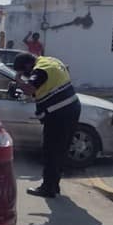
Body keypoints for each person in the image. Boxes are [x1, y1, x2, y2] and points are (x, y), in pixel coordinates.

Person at [13, 52, 80, 198]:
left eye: (25, 72)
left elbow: (30, 89)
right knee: (61, 149)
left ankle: (47, 188)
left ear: (27, 66)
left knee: (51, 151)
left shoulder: (41, 70)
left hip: (58, 114)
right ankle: (54, 185)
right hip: (72, 107)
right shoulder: (51, 60)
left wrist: (18, 79)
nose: (26, 75)